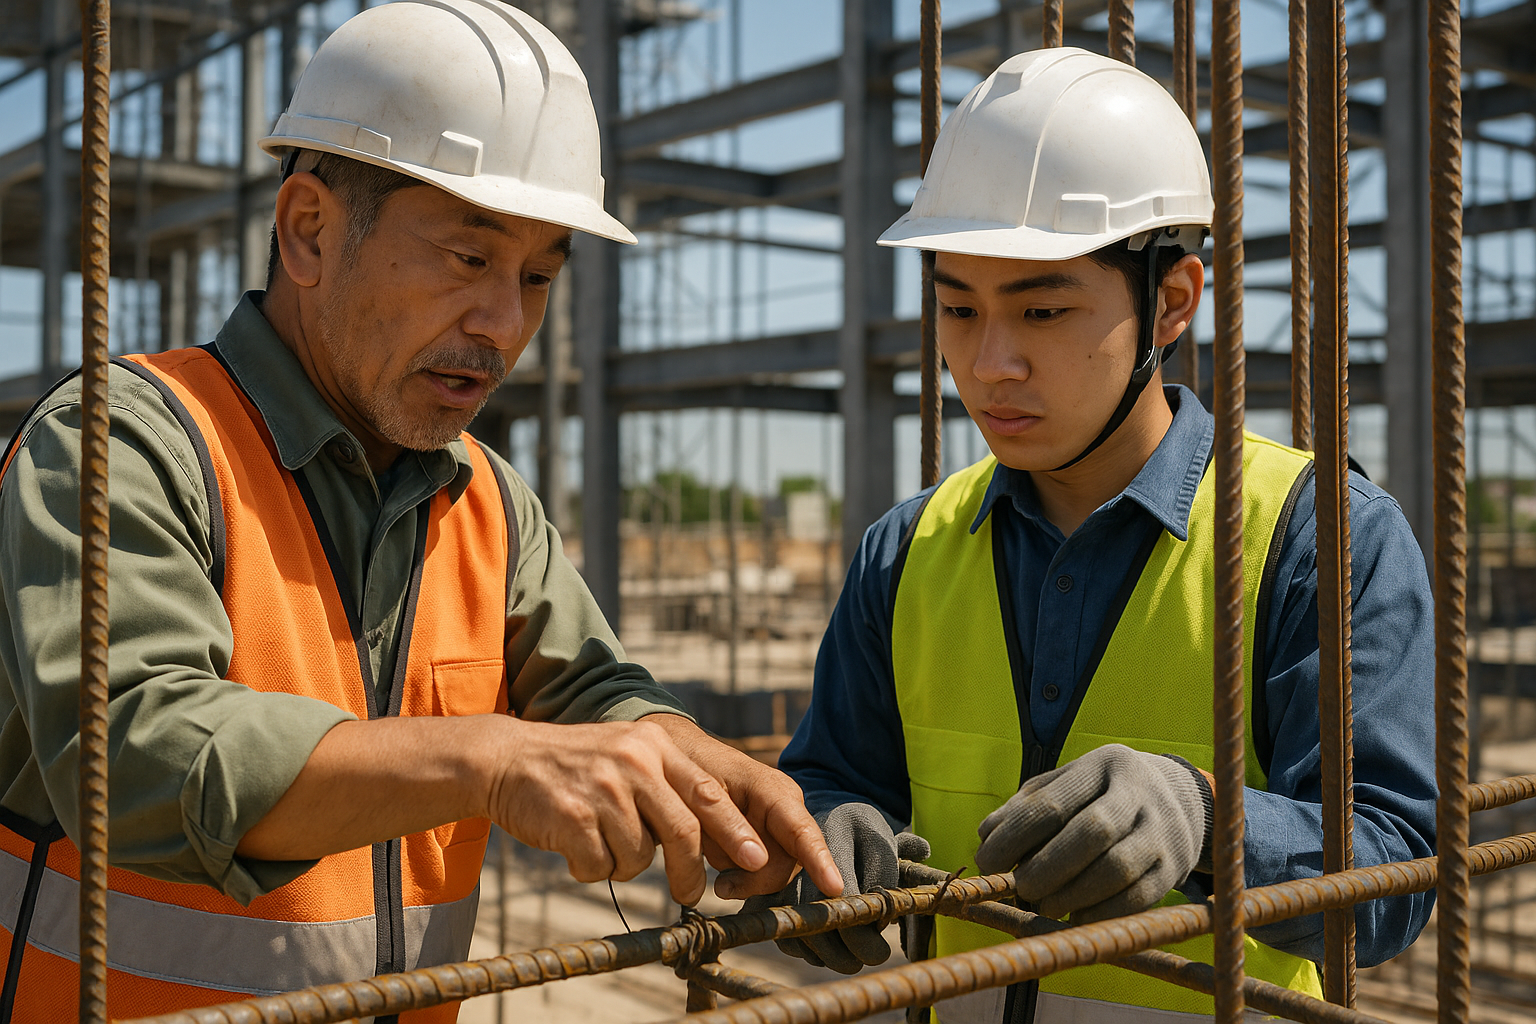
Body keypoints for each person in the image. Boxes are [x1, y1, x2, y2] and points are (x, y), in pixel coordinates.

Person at [0, 3, 838, 1020]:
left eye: (538, 277)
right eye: (467, 259)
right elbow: (131, 753)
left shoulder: (483, 497)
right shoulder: (125, 445)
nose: (503, 325)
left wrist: (690, 765)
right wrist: (490, 757)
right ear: (309, 231)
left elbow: (587, 688)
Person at [763, 47, 1436, 1024]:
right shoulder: (905, 552)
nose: (989, 364)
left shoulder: (1317, 539)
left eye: (1041, 309)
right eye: (957, 307)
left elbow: (1395, 869)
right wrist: (822, 834)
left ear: (1172, 300)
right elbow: (829, 774)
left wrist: (1208, 818)